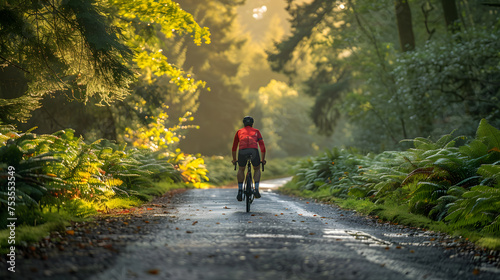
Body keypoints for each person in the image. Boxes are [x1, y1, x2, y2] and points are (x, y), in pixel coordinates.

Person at [231, 116, 266, 201]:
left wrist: (234, 159)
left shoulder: (239, 132)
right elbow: (262, 147)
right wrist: (262, 159)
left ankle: (240, 191)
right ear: (252, 124)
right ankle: (256, 189)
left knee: (241, 169)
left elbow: (234, 147)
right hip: (253, 151)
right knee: (257, 169)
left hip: (242, 151)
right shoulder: (257, 131)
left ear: (244, 123)